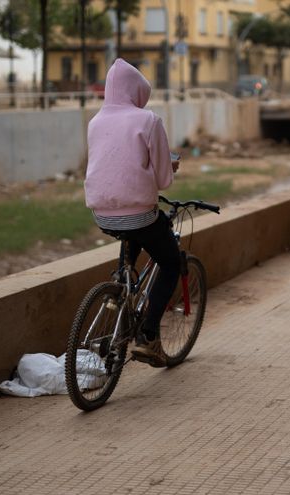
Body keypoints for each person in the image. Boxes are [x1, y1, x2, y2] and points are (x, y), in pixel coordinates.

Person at [84, 58, 181, 367]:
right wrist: (171, 165)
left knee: (133, 231)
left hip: (101, 213)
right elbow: (164, 179)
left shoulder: (95, 122)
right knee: (171, 262)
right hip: (140, 213)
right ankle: (148, 338)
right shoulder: (148, 120)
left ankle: (121, 285)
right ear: (137, 91)